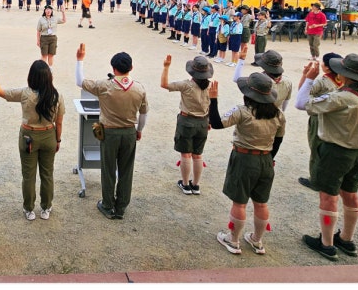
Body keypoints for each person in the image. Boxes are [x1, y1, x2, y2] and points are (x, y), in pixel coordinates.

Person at [296, 53, 358, 261]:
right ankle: (346, 238)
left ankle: (326, 244)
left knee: (328, 196)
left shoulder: (340, 98)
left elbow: (301, 104)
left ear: (344, 75)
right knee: (351, 194)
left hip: (336, 151)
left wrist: (309, 78)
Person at [208, 73, 286, 255]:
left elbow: (217, 123)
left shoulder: (243, 111)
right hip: (266, 158)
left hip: (244, 158)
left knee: (240, 202)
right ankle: (257, 240)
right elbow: (279, 140)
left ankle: (233, 240)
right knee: (261, 203)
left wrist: (213, 100)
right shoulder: (278, 114)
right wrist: (270, 158)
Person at [75, 44, 148, 220]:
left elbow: (80, 82)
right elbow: (144, 113)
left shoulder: (105, 85)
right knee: (126, 170)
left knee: (108, 169)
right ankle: (121, 206)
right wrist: (139, 130)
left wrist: (80, 60)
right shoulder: (139, 88)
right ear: (131, 68)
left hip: (109, 132)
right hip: (129, 132)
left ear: (113, 68)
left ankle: (108, 205)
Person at [0, 56, 65, 220]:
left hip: (29, 136)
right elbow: (59, 122)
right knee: (47, 174)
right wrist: (57, 140)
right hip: (49, 134)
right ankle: (46, 208)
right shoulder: (56, 95)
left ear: (31, 76)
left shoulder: (24, 93)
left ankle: (29, 209)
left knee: (28, 175)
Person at [161, 55, 215, 195]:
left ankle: (185, 184)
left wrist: (166, 67)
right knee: (198, 155)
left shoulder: (186, 85)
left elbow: (165, 85)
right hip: (203, 121)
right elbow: (210, 105)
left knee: (186, 154)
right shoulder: (210, 86)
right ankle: (196, 185)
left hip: (187, 120)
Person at [294, 53, 342, 191]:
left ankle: (315, 180)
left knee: (316, 147)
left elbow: (302, 93)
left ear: (326, 67)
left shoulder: (322, 81)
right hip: (334, 119)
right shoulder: (343, 80)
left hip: (318, 116)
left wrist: (306, 76)